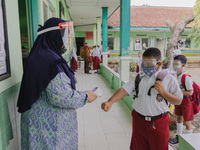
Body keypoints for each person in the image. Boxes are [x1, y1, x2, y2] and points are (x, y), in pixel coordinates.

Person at [17, 18, 98, 150]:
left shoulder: (39, 56)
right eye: (64, 36)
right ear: (55, 36)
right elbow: (61, 97)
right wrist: (85, 96)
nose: (66, 41)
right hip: (47, 129)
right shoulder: (50, 61)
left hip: (37, 123)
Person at [101, 47, 183, 150]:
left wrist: (164, 92)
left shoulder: (168, 79)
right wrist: (110, 102)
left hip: (159, 123)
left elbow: (178, 100)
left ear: (159, 64)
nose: (145, 66)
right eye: (143, 63)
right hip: (139, 121)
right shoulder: (138, 77)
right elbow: (124, 90)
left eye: (149, 64)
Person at [169, 55, 194, 146]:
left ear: (183, 65)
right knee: (179, 118)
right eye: (173, 64)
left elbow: (190, 92)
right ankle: (179, 137)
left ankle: (189, 141)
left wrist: (179, 93)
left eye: (177, 64)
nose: (174, 66)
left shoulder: (186, 77)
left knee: (187, 122)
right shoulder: (175, 75)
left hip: (186, 102)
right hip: (178, 101)